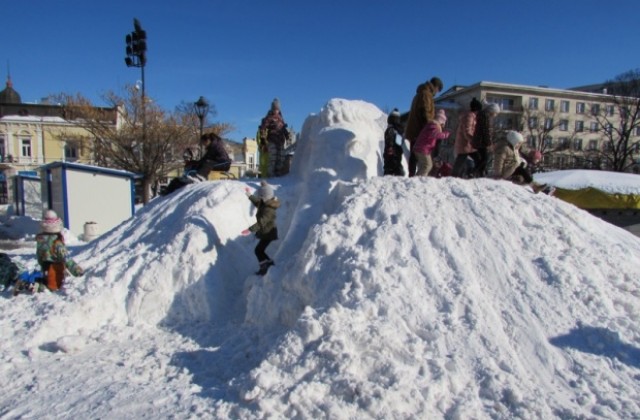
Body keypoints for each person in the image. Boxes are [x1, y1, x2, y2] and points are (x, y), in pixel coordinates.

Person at [404, 77, 444, 177]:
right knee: (420, 155)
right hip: (419, 130)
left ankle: (412, 176)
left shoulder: (421, 93)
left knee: (415, 154)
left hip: (415, 129)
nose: (437, 93)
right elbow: (425, 112)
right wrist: (428, 129)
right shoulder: (426, 94)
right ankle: (413, 177)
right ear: (436, 87)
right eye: (438, 90)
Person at [35, 210, 83, 291]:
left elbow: (39, 257)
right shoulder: (57, 242)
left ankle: (37, 285)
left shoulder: (40, 240)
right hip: (56, 272)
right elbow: (66, 259)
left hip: (44, 269)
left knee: (46, 283)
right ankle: (42, 286)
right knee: (53, 286)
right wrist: (77, 271)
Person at [242, 181, 281, 275]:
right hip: (266, 232)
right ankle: (269, 264)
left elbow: (262, 222)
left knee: (258, 250)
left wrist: (250, 230)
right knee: (260, 250)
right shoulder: (264, 203)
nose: (259, 198)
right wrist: (249, 194)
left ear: (266, 197)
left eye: (261, 197)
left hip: (269, 233)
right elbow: (257, 203)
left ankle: (265, 267)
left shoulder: (269, 209)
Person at [412, 109, 451, 176]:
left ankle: (421, 180)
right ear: (440, 121)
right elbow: (435, 134)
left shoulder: (432, 125)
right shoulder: (433, 125)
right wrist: (445, 135)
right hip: (422, 148)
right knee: (427, 165)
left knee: (425, 166)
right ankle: (417, 180)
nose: (442, 127)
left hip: (422, 149)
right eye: (443, 124)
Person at [452, 97, 482, 178]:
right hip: (465, 144)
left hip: (468, 144)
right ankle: (453, 177)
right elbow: (467, 131)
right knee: (461, 162)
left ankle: (471, 174)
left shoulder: (471, 116)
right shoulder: (469, 116)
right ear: (476, 109)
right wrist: (473, 140)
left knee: (479, 159)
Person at [258, 98, 288, 177]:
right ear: (272, 109)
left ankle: (278, 174)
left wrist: (287, 134)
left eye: (277, 109)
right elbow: (262, 128)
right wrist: (263, 140)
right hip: (272, 140)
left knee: (281, 158)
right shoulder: (269, 117)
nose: (276, 111)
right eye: (275, 109)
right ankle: (271, 175)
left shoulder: (281, 118)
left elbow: (283, 128)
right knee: (272, 159)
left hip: (280, 141)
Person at [471, 102, 500, 177]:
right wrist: (489, 143)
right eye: (495, 113)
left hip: (478, 140)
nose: (495, 115)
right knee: (485, 159)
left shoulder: (482, 115)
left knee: (482, 158)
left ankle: (480, 173)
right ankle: (474, 172)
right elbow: (486, 131)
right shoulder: (485, 117)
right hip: (481, 141)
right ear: (492, 111)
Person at [383, 108, 405, 176]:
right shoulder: (398, 130)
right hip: (397, 152)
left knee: (389, 167)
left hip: (391, 152)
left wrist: (390, 147)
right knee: (396, 166)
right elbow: (399, 141)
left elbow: (390, 138)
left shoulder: (391, 129)